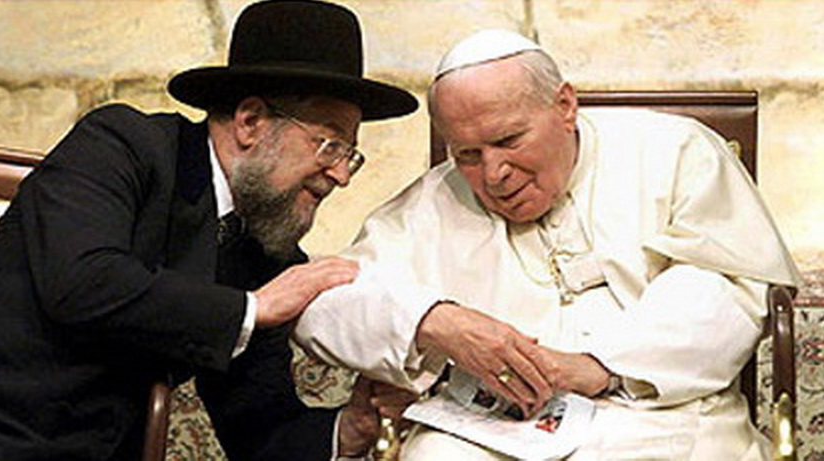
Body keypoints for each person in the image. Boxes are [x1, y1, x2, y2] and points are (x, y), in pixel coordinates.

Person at [0, 1, 418, 460]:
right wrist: (252, 308)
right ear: (250, 121)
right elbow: (83, 282)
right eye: (330, 145)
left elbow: (260, 428)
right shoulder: (122, 146)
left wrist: (348, 428)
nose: (342, 174)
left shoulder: (263, 251)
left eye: (351, 154)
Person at [294, 28, 800, 460]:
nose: (494, 174)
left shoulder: (675, 152)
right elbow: (325, 302)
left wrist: (600, 367)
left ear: (564, 106)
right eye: (467, 154)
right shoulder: (434, 200)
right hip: (493, 430)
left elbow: (727, 285)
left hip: (660, 414)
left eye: (508, 141)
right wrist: (435, 322)